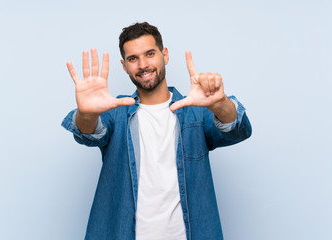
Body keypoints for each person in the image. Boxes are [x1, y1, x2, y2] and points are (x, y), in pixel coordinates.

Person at [62, 22, 252, 240]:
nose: (143, 65)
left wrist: (219, 103)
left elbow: (237, 130)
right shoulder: (115, 114)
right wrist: (87, 113)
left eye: (150, 54)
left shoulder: (196, 112)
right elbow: (87, 132)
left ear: (165, 55)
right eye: (133, 59)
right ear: (124, 66)